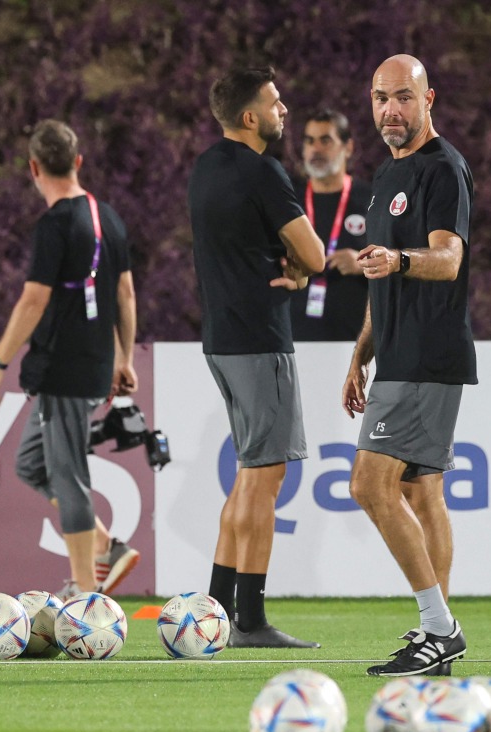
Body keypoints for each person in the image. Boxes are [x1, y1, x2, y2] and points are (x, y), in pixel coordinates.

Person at [342, 55, 476, 677]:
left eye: (402, 98)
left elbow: (447, 260)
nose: (390, 111)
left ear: (429, 101)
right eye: (379, 98)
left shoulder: (443, 169)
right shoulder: (384, 172)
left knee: (370, 486)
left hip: (428, 355)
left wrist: (397, 260)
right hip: (399, 355)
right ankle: (434, 641)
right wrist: (361, 353)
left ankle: (439, 630)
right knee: (423, 492)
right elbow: (381, 270)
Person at [188, 66, 326, 648]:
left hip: (221, 337)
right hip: (260, 340)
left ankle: (216, 613)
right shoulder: (264, 173)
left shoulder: (206, 168)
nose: (284, 109)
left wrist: (286, 264)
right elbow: (316, 255)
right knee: (266, 480)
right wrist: (297, 271)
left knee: (248, 478)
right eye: (274, 102)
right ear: (250, 117)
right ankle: (249, 619)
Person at [0, 119, 140, 600]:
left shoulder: (54, 224)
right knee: (31, 463)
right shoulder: (107, 216)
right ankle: (108, 548)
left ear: (33, 168)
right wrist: (123, 356)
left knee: (68, 476)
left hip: (63, 369)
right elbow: (125, 292)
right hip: (91, 363)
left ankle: (85, 594)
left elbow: (32, 301)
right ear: (78, 162)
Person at [288, 109, 373, 341]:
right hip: (295, 343)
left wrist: (362, 264)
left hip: (356, 343)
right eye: (309, 141)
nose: (316, 148)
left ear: (348, 147)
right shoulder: (288, 202)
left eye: (326, 140)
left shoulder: (372, 200)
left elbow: (398, 261)